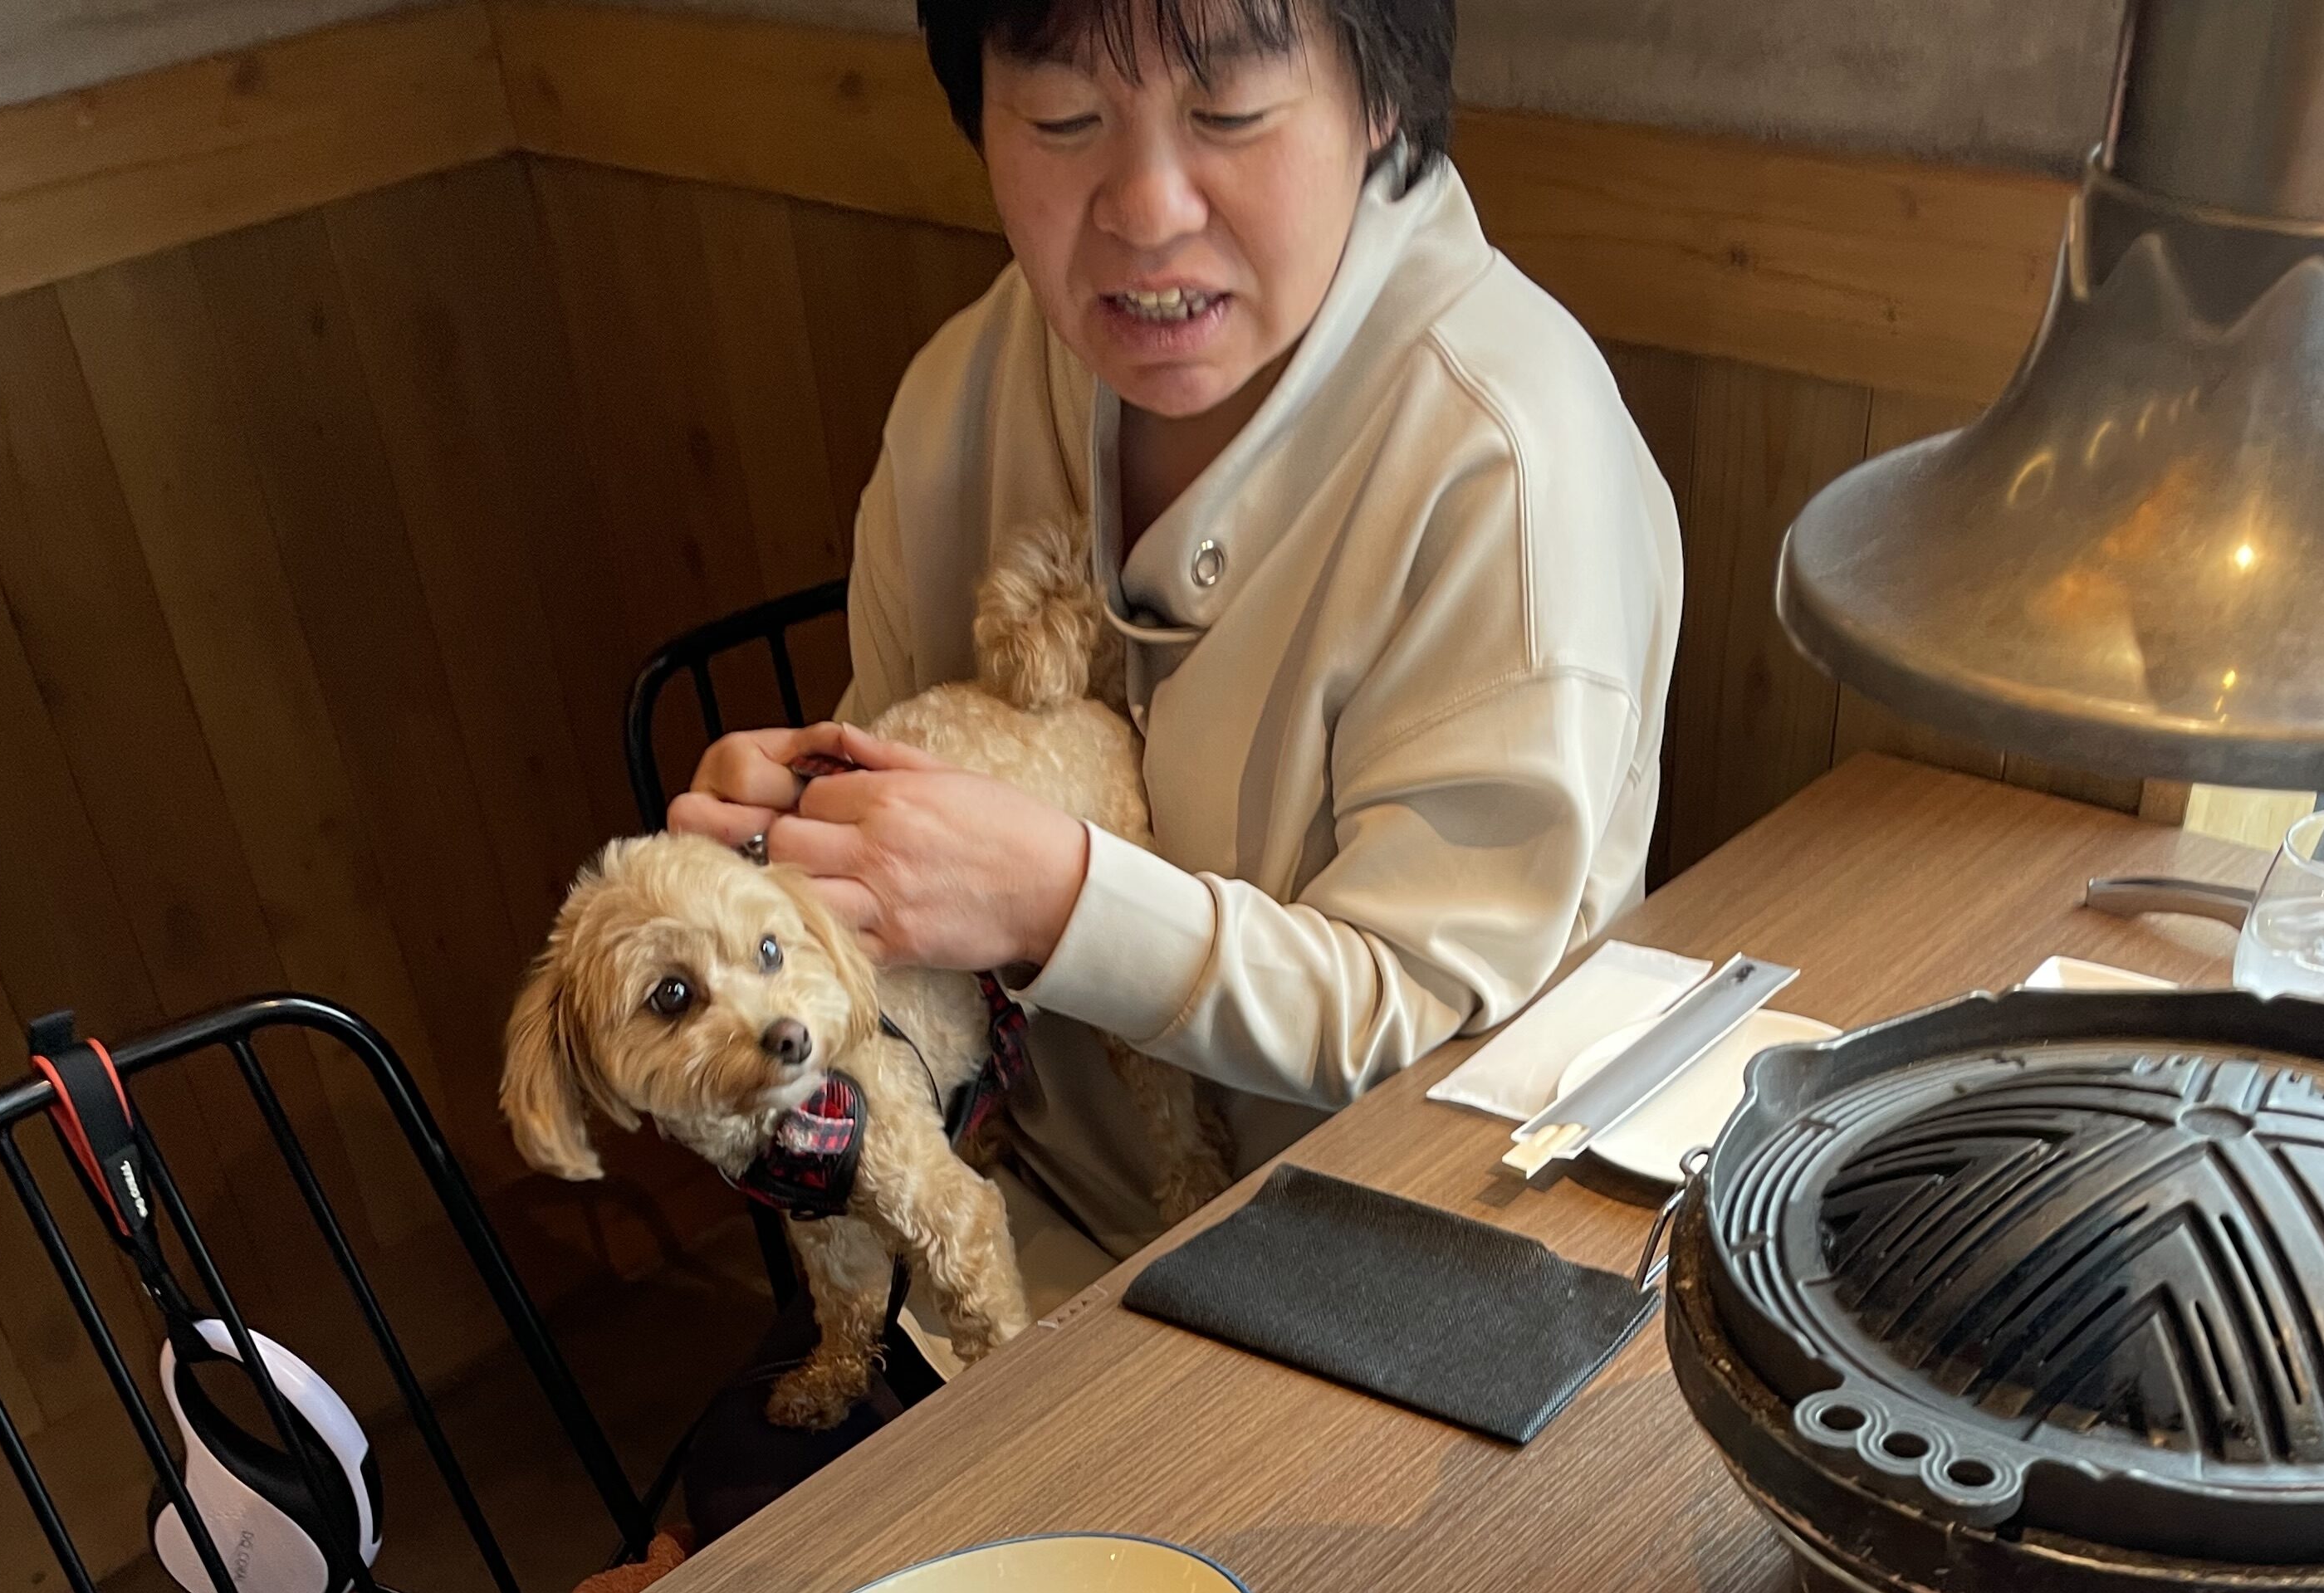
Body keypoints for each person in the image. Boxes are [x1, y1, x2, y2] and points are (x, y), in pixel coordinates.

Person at [672, 0, 1682, 1274]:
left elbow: (1446, 1018)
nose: (1147, 210)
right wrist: (785, 867)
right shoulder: (964, 391)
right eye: (1063, 120)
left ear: (1382, 101)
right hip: (1014, 1235)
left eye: (1230, 113)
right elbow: (903, 894)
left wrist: (1057, 901)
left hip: (1393, 1275)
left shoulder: (1507, 460)